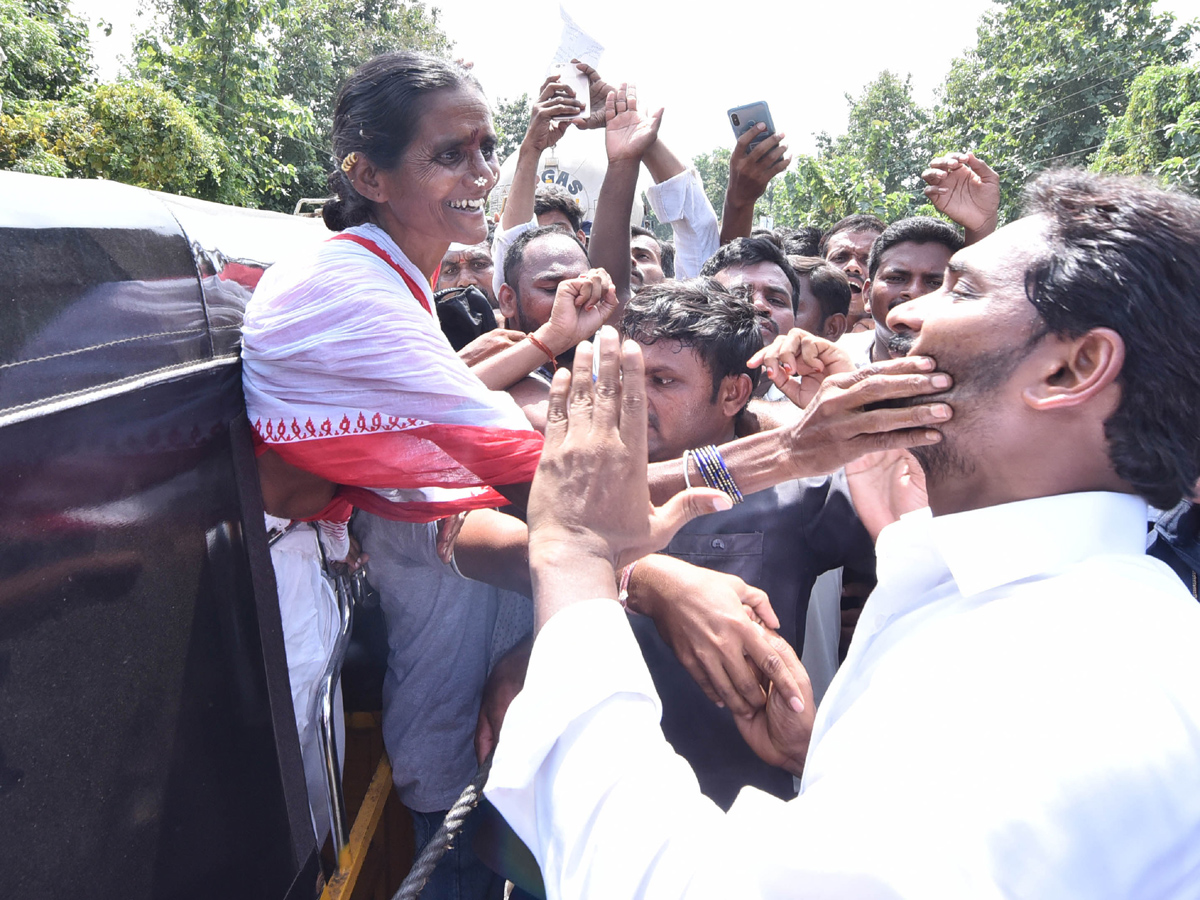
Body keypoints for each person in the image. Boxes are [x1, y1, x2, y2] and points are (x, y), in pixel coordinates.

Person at [485, 170, 1200, 898]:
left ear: (1072, 369)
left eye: (959, 289)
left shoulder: (1081, 687)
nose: (904, 317)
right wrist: (820, 751)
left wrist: (576, 561)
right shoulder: (978, 590)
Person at [239, 49, 564, 844]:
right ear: (368, 174)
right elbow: (533, 474)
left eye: (488, 148)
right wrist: (761, 467)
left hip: (303, 573)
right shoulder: (352, 291)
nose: (483, 175)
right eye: (449, 155)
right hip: (276, 600)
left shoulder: (384, 277)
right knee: (294, 839)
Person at [862, 216, 963, 363]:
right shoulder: (826, 364)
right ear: (867, 294)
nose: (915, 292)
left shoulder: (992, 377)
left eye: (935, 282)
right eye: (896, 278)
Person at [699, 235, 803, 349]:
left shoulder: (818, 365)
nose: (759, 305)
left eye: (775, 300)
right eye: (739, 296)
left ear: (795, 322)